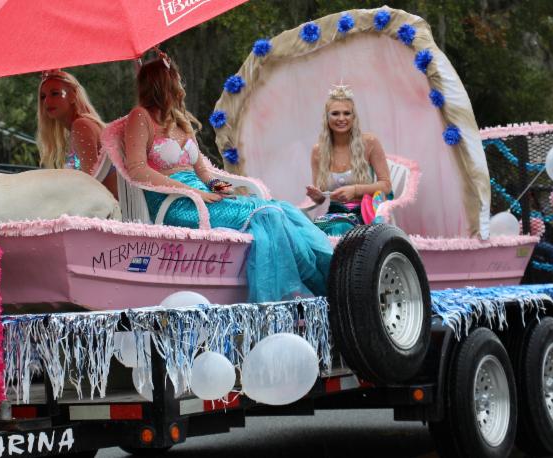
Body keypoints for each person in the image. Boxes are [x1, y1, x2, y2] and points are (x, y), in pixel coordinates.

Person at [122, 54, 333, 303]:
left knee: (280, 209)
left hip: (203, 197)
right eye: (176, 79)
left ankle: (331, 272)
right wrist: (194, 193)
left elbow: (203, 173)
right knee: (268, 215)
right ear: (162, 83)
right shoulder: (140, 117)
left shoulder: (181, 122)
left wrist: (224, 188)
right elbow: (137, 169)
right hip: (175, 202)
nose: (181, 86)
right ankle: (310, 289)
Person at [305, 86, 392, 235]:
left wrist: (355, 190)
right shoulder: (318, 151)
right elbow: (321, 198)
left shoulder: (369, 143)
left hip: (364, 215)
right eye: (335, 113)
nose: (341, 118)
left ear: (353, 117)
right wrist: (318, 197)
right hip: (333, 215)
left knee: (339, 229)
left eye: (346, 113)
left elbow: (386, 186)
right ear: (327, 117)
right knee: (307, 232)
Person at [37, 70, 118, 197]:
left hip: (110, 206)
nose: (47, 101)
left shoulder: (81, 126)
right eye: (43, 96)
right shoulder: (81, 125)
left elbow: (92, 183)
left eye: (55, 93)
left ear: (73, 95)